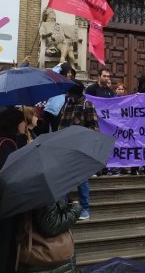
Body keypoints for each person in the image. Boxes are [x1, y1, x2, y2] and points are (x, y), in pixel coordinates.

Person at [0, 108, 27, 273]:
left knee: (8, 238)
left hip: (3, 197)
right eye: (22, 121)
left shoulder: (0, 140)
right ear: (15, 123)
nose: (25, 124)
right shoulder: (8, 143)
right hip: (8, 198)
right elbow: (12, 171)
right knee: (7, 240)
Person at [58, 80, 98, 220]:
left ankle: (85, 208)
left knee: (82, 179)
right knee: (62, 177)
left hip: (80, 147)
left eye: (70, 92)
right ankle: (61, 207)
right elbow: (61, 123)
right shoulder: (67, 103)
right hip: (64, 146)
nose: (69, 94)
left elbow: (94, 127)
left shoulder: (87, 104)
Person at [16, 200, 82, 273]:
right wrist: (75, 209)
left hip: (31, 250)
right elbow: (51, 225)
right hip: (46, 256)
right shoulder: (43, 193)